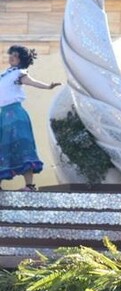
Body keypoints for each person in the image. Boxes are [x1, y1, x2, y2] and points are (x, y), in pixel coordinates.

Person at [0, 45, 60, 191]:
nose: (11, 57)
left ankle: (29, 185)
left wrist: (48, 86)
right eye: (11, 54)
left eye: (15, 55)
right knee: (3, 147)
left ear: (21, 59)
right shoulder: (5, 74)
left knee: (23, 146)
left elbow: (31, 81)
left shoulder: (19, 73)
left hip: (15, 115)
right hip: (4, 115)